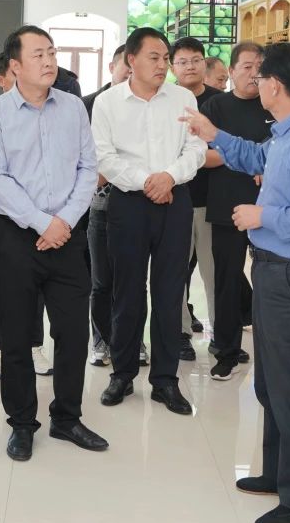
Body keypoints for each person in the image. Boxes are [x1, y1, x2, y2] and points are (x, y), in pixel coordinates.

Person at [181, 40, 290, 523]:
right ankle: (276, 473)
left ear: (275, 84)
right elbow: (254, 155)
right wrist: (213, 132)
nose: (256, 84)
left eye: (261, 77)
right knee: (271, 383)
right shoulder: (288, 131)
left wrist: (262, 216)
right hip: (274, 272)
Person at [0, 25, 106, 461]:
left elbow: (88, 168)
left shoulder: (72, 107)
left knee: (72, 333)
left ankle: (67, 417)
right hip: (16, 235)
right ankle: (21, 423)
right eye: (38, 54)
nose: (49, 61)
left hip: (67, 234)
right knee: (17, 334)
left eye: (51, 52)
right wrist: (40, 222)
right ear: (15, 66)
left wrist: (63, 221)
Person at [92, 27, 206, 415]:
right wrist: (147, 181)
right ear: (131, 60)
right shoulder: (108, 102)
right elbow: (104, 157)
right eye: (154, 57)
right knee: (126, 291)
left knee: (170, 292)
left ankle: (165, 380)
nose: (162, 65)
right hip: (128, 202)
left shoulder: (183, 98)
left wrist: (168, 177)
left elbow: (196, 148)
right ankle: (122, 373)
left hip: (175, 200)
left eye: (165, 58)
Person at [0, 52, 49, 381]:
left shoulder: (46, 114)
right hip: (0, 213)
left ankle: (33, 344)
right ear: (3, 79)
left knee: (35, 283)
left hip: (40, 215)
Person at [203, 42, 273, 381]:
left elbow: (282, 153)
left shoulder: (273, 104)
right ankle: (226, 351)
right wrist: (252, 157)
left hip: (270, 208)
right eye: (247, 66)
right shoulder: (216, 106)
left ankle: (271, 353)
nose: (254, 73)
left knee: (270, 282)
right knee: (227, 282)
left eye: (260, 66)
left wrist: (264, 161)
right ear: (231, 72)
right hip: (227, 206)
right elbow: (203, 156)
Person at [170, 36, 223, 357]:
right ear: (172, 67)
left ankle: (220, 335)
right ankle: (179, 333)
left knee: (213, 273)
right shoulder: (167, 100)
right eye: (182, 61)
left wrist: (190, 158)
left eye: (196, 60)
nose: (190, 66)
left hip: (211, 201)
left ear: (205, 63)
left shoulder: (220, 102)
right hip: (173, 199)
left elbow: (229, 151)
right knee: (175, 272)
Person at [82, 44, 129, 367]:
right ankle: (101, 339)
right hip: (97, 205)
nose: (130, 72)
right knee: (100, 280)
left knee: (132, 280)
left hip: (135, 204)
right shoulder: (87, 105)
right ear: (112, 67)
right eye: (126, 65)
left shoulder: (145, 106)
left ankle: (130, 340)